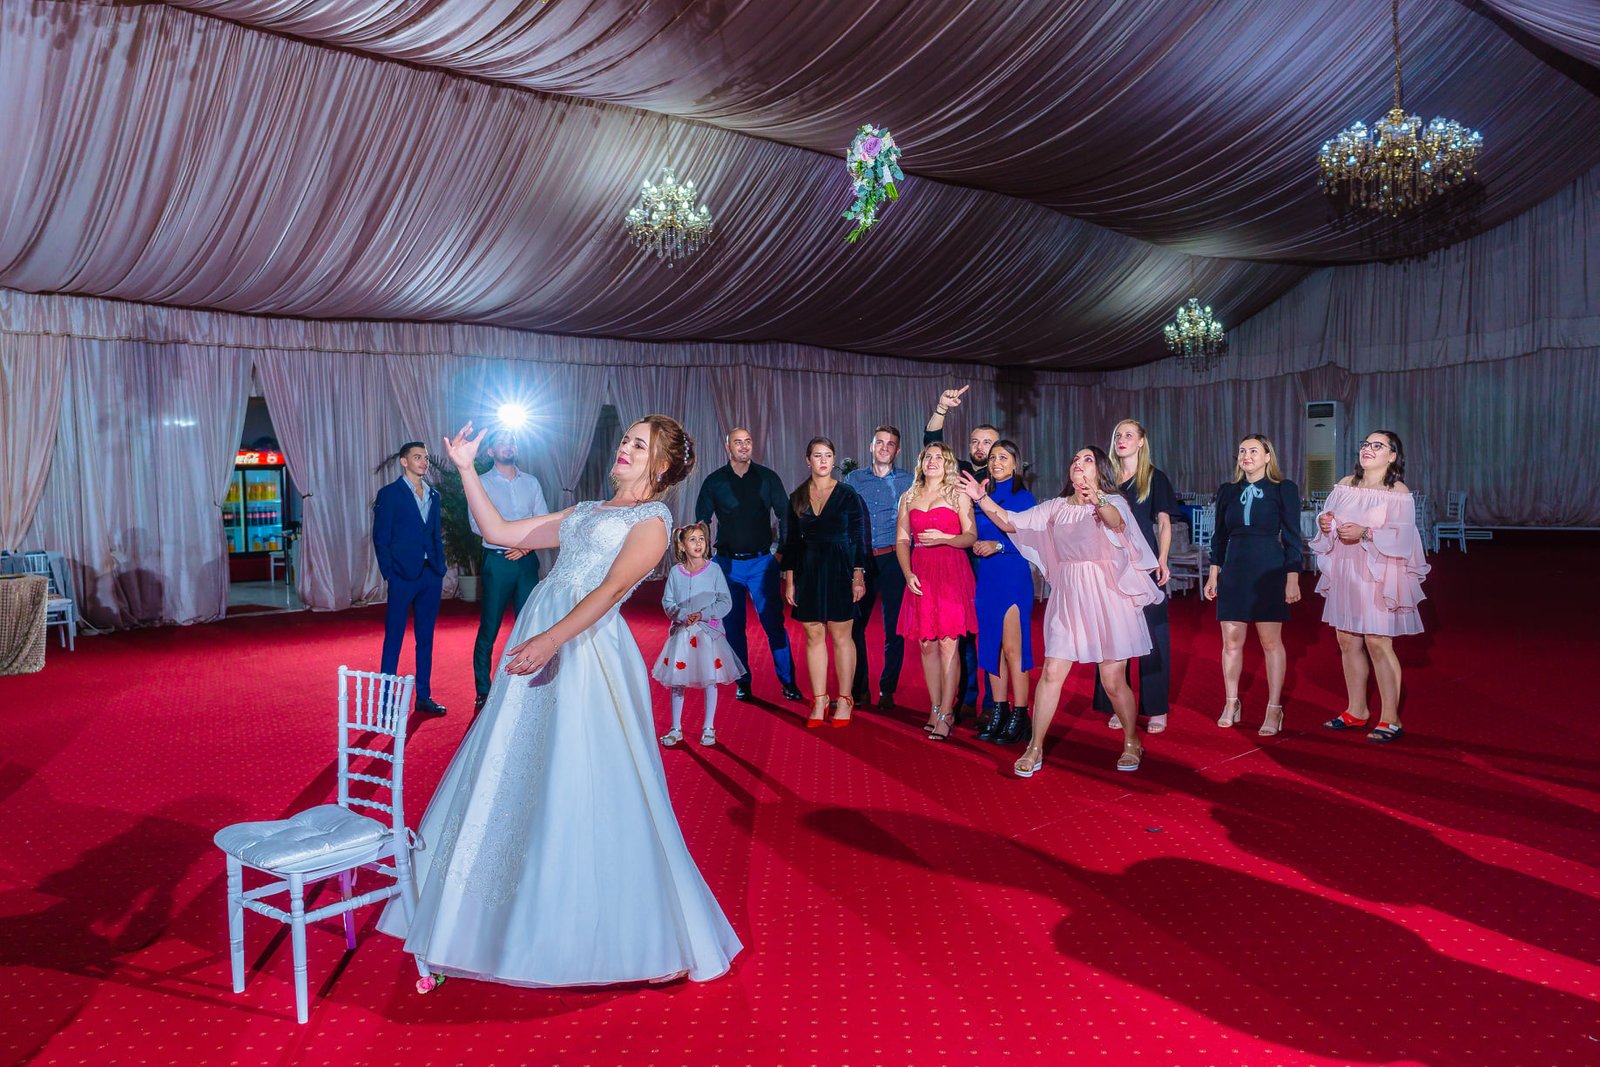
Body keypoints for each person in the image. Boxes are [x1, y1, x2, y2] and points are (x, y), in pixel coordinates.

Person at [382, 415, 741, 991]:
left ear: (660, 464)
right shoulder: (585, 511)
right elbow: (501, 530)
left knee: (589, 776)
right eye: (625, 440)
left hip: (587, 653)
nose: (624, 448)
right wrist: (468, 469)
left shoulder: (653, 520)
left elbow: (609, 590)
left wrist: (552, 639)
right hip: (544, 631)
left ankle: (640, 932)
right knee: (517, 767)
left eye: (639, 444)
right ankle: (484, 917)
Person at [959, 447, 1163, 776]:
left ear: (1100, 470)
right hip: (1069, 595)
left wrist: (1098, 498)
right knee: (1052, 671)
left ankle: (1131, 740)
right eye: (1075, 460)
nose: (1078, 464)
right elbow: (1010, 522)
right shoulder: (1056, 507)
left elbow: (1116, 521)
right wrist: (981, 498)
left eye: (1087, 460)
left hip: (1107, 596)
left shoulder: (1112, 501)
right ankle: (1035, 746)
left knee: (1112, 681)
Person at [1310, 430, 1430, 744]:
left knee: (1378, 642)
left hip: (1378, 571)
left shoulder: (1397, 490)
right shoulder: (1345, 484)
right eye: (1365, 444)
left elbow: (1404, 537)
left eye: (1378, 446)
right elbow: (1328, 518)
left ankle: (1391, 718)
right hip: (1346, 569)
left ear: (1392, 456)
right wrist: (1325, 523)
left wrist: (1365, 533)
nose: (1368, 449)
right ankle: (1356, 710)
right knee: (1346, 640)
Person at [1203, 433, 1303, 737]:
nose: (1246, 456)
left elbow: (1292, 536)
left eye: (1254, 451)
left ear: (1267, 456)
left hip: (1268, 569)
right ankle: (1231, 702)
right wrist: (1213, 574)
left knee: (1271, 643)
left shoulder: (1283, 489)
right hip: (1234, 568)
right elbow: (1219, 536)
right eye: (1242, 451)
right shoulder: (1228, 491)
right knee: (1231, 642)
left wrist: (1292, 577)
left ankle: (1274, 708)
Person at [695, 428, 802, 702]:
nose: (743, 446)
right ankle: (743, 681)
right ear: (727, 446)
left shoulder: (768, 477)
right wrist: (704, 558)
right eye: (738, 442)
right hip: (726, 565)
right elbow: (701, 521)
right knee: (733, 627)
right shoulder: (714, 481)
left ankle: (788, 681)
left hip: (762, 564)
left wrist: (781, 553)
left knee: (773, 623)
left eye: (747, 441)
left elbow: (786, 515)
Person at [1093, 419, 1181, 734]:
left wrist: (1162, 559)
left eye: (1129, 435)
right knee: (1117, 636)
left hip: (1144, 565)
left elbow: (1165, 524)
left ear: (1142, 441)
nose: (1122, 439)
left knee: (1154, 637)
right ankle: (1120, 703)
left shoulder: (1155, 478)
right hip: (1111, 565)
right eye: (1118, 435)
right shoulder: (1105, 478)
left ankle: (1156, 708)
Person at [780, 437, 869, 727]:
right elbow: (791, 542)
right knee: (813, 635)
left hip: (841, 568)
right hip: (807, 571)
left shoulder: (847, 494)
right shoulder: (797, 497)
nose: (823, 461)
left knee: (842, 635)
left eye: (828, 455)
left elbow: (857, 537)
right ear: (808, 460)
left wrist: (858, 575)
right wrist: (790, 580)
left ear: (833, 460)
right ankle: (820, 699)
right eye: (817, 455)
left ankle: (845, 698)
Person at [923, 384, 999, 722]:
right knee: (962, 633)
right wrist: (941, 408)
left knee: (991, 632)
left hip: (993, 561)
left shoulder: (1005, 475)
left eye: (988, 442)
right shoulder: (960, 470)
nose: (980, 447)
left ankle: (994, 703)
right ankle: (966, 697)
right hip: (960, 558)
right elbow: (932, 443)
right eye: (975, 442)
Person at [897, 442, 979, 740]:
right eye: (928, 457)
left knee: (948, 644)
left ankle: (947, 712)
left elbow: (971, 536)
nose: (933, 461)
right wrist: (908, 574)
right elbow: (902, 540)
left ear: (948, 464)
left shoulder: (958, 493)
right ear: (921, 462)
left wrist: (945, 538)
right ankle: (934, 707)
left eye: (939, 458)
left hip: (951, 571)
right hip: (920, 572)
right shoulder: (908, 496)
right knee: (926, 644)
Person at [469, 431, 549, 713]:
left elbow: (543, 520)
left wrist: (525, 547)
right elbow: (477, 525)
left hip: (527, 560)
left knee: (529, 624)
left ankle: (525, 687)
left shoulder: (531, 482)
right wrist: (514, 541)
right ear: (490, 451)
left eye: (512, 441)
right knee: (489, 626)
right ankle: (483, 691)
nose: (509, 445)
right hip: (498, 561)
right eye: (502, 442)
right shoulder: (481, 483)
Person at [372, 441, 448, 716]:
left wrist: (440, 566)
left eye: (425, 458)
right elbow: (380, 538)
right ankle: (385, 703)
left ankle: (424, 697)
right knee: (394, 639)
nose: (424, 462)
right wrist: (390, 574)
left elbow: (435, 534)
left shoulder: (434, 495)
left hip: (431, 574)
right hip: (402, 576)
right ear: (404, 462)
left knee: (425, 639)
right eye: (417, 457)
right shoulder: (389, 494)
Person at [653, 522, 745, 748]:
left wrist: (704, 614)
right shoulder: (676, 573)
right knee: (678, 681)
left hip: (708, 634)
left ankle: (709, 727)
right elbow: (668, 602)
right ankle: (676, 728)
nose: (698, 543)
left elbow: (725, 601)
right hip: (682, 634)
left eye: (701, 539)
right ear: (682, 546)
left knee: (710, 680)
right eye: (692, 539)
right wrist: (682, 615)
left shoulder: (714, 570)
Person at [844, 425, 915, 709]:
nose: (884, 447)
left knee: (894, 628)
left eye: (890, 444)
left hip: (893, 558)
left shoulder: (909, 481)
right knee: (854, 625)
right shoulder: (853, 479)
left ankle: (888, 689)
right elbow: (846, 520)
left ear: (897, 451)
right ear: (871, 446)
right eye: (880, 442)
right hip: (861, 560)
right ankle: (860, 688)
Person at [971, 440, 1036, 746]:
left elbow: (1028, 537)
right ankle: (999, 710)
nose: (996, 462)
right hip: (986, 578)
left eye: (1003, 457)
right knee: (991, 648)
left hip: (1012, 575)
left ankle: (1021, 715)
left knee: (1012, 649)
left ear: (1015, 463)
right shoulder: (981, 495)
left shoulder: (1023, 497)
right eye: (993, 457)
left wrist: (998, 545)